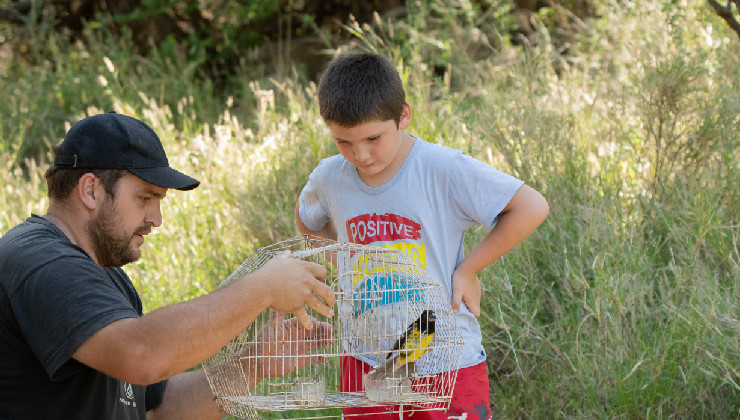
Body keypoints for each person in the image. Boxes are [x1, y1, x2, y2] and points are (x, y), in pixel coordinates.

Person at [0, 111, 336, 419]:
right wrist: (264, 287)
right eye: (144, 198)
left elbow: (158, 408)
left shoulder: (107, 277)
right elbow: (141, 356)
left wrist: (256, 363)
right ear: (90, 190)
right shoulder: (39, 262)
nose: (156, 219)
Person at [295, 52, 549, 419]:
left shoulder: (442, 168)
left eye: (373, 138)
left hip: (443, 359)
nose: (361, 155)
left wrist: (468, 270)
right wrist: (340, 260)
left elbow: (530, 206)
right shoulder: (330, 176)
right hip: (364, 360)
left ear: (404, 115)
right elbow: (307, 220)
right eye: (344, 142)